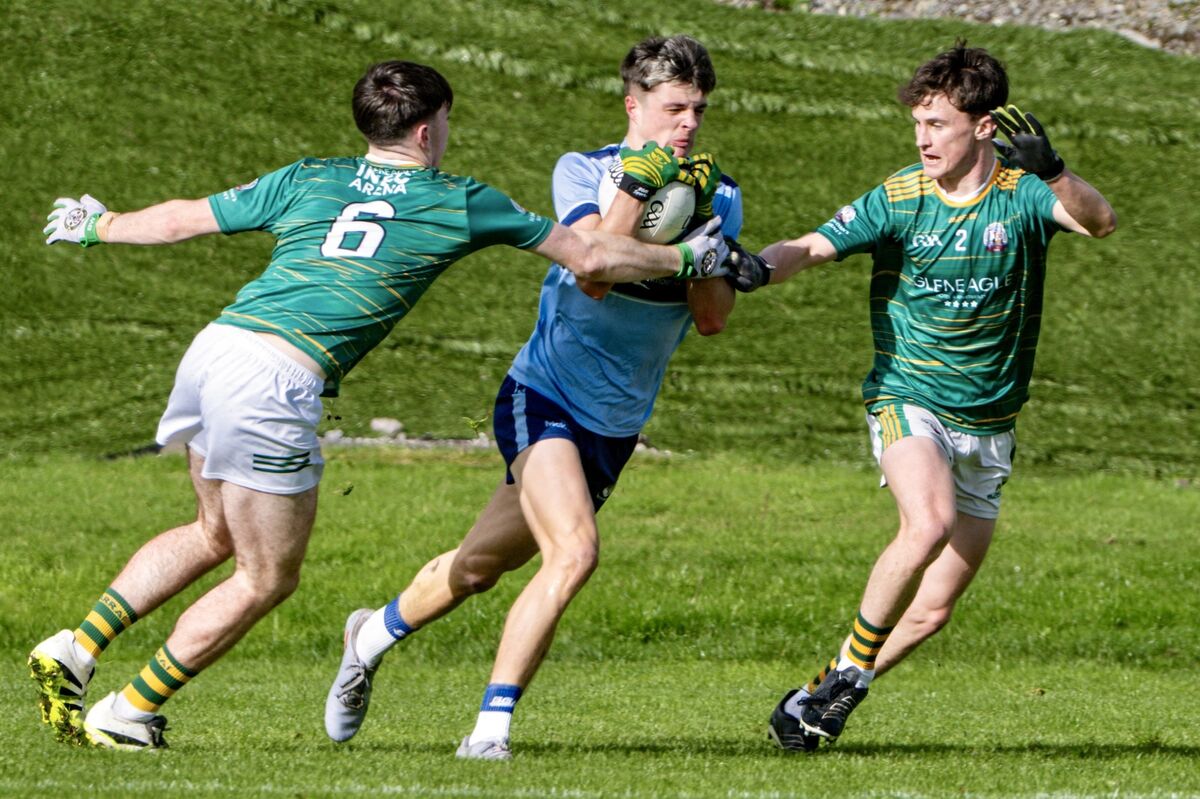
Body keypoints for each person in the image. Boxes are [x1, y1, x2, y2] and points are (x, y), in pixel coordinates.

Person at [28, 59, 732, 752]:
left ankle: (76, 646)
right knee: (267, 574)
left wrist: (101, 224)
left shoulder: (309, 175)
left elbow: (186, 219)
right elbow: (589, 259)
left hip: (217, 348)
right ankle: (131, 709)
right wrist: (690, 260)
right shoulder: (458, 197)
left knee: (215, 531)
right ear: (428, 132)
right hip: (278, 379)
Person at [323, 35, 747, 760]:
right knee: (575, 552)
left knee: (480, 567)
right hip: (544, 392)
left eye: (698, 109)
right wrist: (641, 191)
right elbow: (592, 270)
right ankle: (491, 731)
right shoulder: (583, 170)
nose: (689, 123)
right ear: (633, 105)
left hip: (613, 426)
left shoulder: (720, 191)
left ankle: (366, 636)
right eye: (674, 107)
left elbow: (710, 318)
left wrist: (705, 229)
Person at [738, 42, 1118, 751]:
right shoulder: (901, 195)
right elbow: (814, 245)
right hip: (909, 397)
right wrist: (756, 268)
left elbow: (1100, 221)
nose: (921, 137)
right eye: (917, 122)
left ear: (982, 127)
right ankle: (853, 669)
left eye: (937, 123)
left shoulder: (1024, 192)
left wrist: (1057, 172)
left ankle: (811, 699)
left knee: (934, 607)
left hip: (992, 422)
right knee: (928, 521)